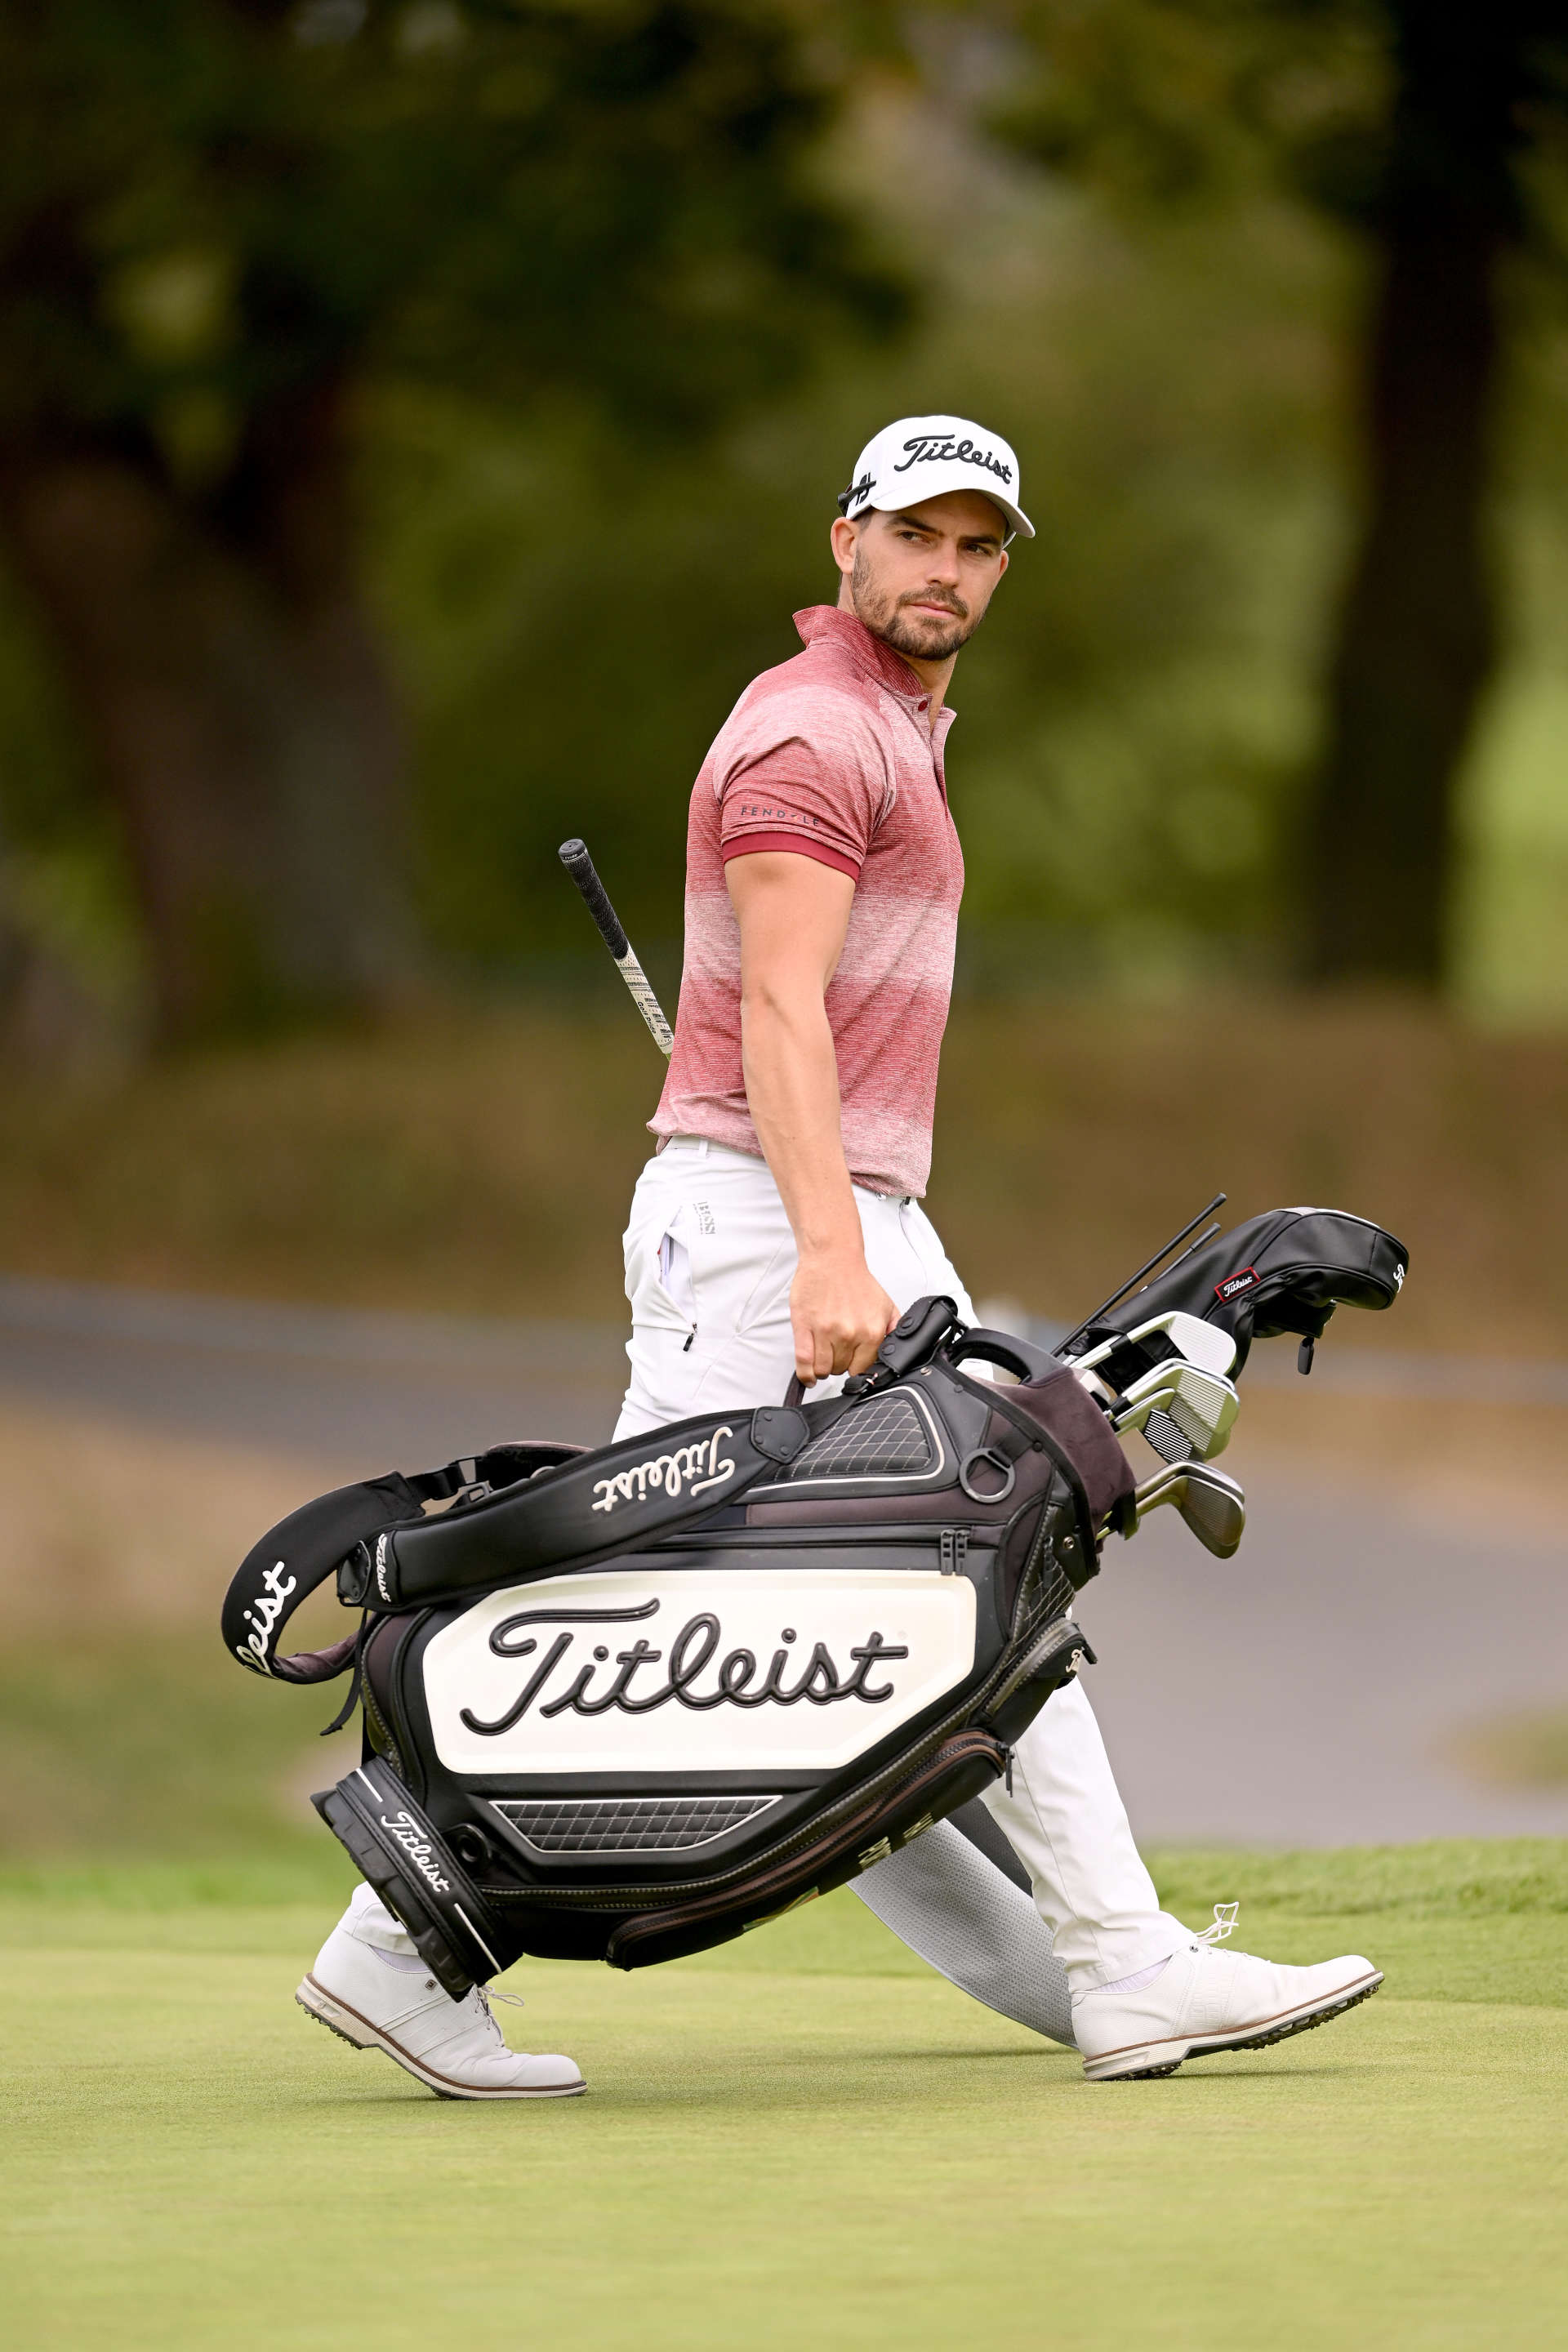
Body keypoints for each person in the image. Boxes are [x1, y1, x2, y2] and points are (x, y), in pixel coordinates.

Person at [296, 414, 1379, 2096]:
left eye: (978, 543)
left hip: (812, 1203)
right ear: (845, 543)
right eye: (916, 535)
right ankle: (1121, 1964)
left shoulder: (893, 728)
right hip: (773, 1217)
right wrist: (825, 1247)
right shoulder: (813, 735)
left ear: (1003, 564)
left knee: (820, 1598)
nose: (945, 568)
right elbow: (785, 1009)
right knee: (915, 1562)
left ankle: (391, 1956)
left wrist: (847, 1224)